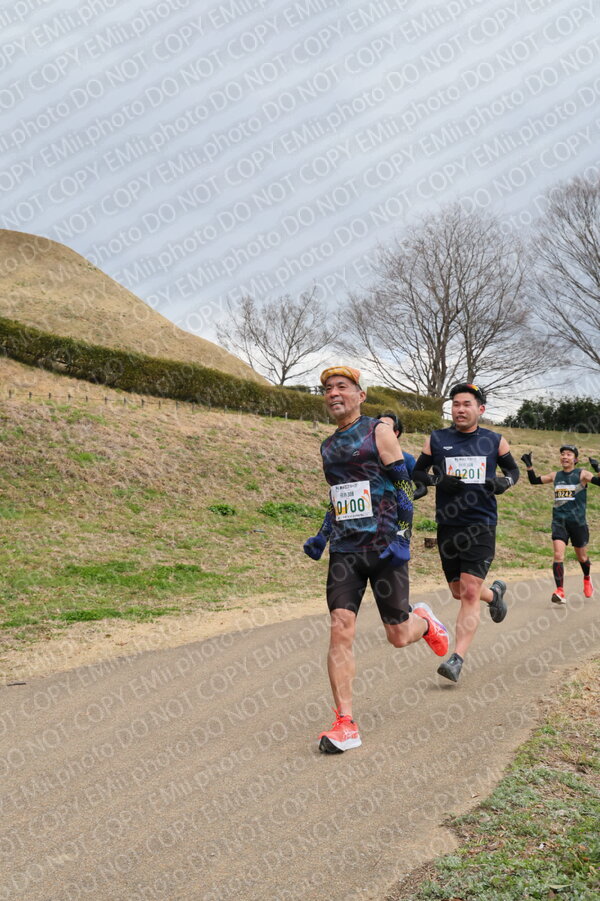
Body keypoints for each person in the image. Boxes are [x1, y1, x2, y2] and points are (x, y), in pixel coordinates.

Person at [303, 366, 449, 753]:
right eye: (328, 388)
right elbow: (340, 496)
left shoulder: (378, 432)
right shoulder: (328, 446)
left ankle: (424, 622)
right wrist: (322, 536)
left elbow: (404, 488)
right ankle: (345, 722)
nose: (334, 393)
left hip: (385, 547)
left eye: (342, 386)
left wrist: (403, 536)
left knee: (398, 636)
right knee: (340, 627)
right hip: (346, 551)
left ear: (360, 395)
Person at [412, 382, 520, 683]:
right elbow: (417, 472)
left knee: (470, 591)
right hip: (448, 524)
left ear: (480, 409)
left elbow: (514, 472)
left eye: (466, 404)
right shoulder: (437, 439)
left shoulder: (494, 441)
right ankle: (494, 594)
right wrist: (437, 481)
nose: (460, 409)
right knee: (458, 591)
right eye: (456, 404)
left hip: (481, 524)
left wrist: (504, 483)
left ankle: (456, 659)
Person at [521, 445, 600, 603]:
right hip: (559, 521)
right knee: (558, 555)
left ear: (575, 459)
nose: (565, 456)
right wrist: (529, 466)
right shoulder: (555, 475)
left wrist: (598, 468)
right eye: (563, 454)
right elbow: (534, 481)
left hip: (578, 523)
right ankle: (560, 591)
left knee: (582, 557)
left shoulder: (582, 474)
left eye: (569, 454)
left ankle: (586, 578)